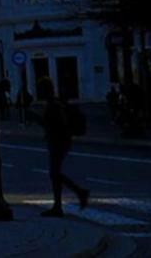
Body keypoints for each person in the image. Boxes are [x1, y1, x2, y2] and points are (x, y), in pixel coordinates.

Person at [31, 77, 89, 216]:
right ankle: (61, 203)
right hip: (60, 140)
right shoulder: (54, 103)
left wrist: (36, 118)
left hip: (58, 141)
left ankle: (76, 194)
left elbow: (53, 124)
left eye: (41, 89)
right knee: (55, 174)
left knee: (54, 173)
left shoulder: (54, 105)